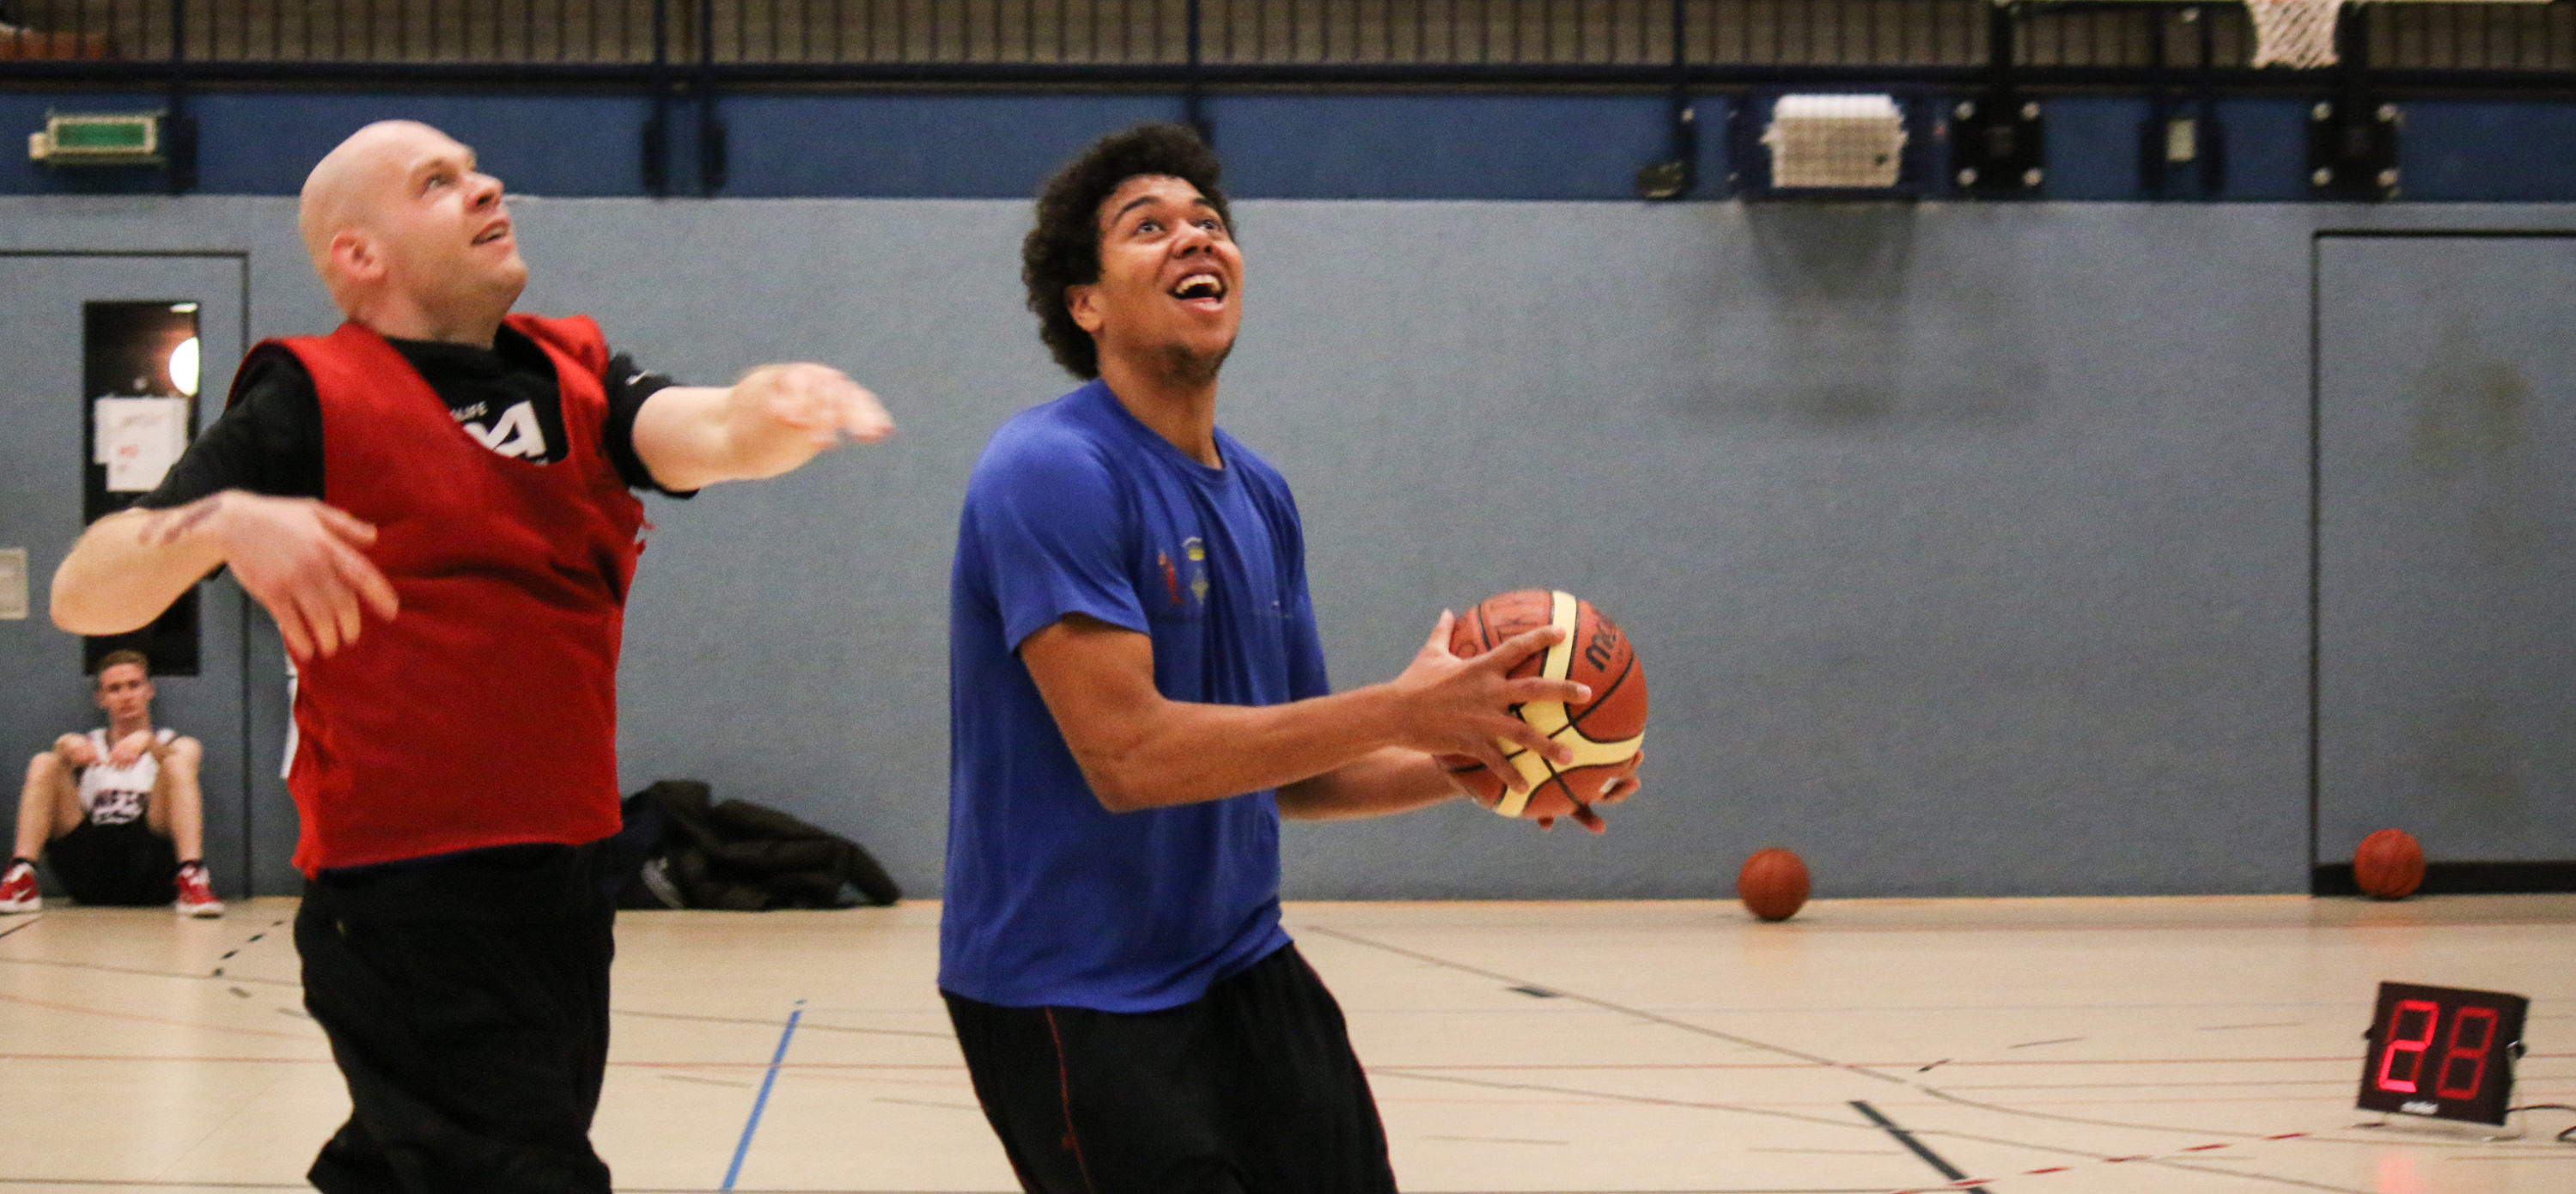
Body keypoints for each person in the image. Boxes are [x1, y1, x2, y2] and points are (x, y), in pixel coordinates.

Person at [48, 118, 894, 1194]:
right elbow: (85, 589)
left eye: (476, 168)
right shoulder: (308, 397)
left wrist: (767, 408)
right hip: (406, 894)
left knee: (422, 1164)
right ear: (361, 255)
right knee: (522, 1170)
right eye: (437, 182)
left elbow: (711, 433)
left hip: (561, 880)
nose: (487, 186)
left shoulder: (572, 375)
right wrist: (216, 521)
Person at [941, 123, 1642, 1193]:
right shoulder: (1049, 468)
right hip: (1072, 990)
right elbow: (1127, 757)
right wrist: (1402, 710)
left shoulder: (1260, 494)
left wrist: (1483, 759)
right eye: (1147, 227)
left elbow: (1300, 773)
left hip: (1239, 963)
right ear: (1085, 303)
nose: (1193, 238)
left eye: (1208, 222)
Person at [3, 649, 222, 916]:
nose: (126, 695)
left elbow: (186, 759)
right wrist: (65, 745)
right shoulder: (88, 745)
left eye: (134, 685)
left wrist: (147, 742)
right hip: (89, 866)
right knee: (44, 761)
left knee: (175, 764)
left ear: (149, 690)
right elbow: (58, 755)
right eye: (115, 689)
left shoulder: (173, 742)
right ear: (100, 698)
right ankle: (22, 873)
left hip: (150, 864)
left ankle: (192, 876)